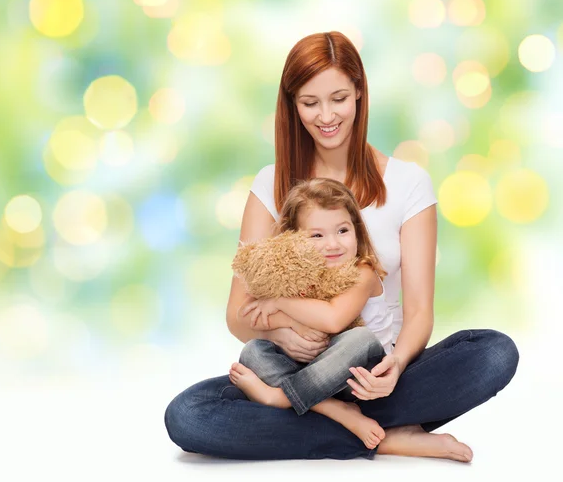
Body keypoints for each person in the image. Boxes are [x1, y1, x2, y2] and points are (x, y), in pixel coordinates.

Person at [165, 31, 519, 462]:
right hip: (295, 372)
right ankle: (382, 436)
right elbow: (238, 315)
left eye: (338, 99)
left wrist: (398, 366)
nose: (326, 115)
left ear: (359, 95)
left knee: (493, 352)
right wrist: (280, 335)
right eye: (310, 103)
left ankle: (340, 420)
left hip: (377, 373)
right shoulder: (270, 184)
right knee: (188, 415)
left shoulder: (408, 184)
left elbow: (420, 310)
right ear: (291, 106)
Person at [231, 177, 392, 449]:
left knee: (360, 338)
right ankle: (331, 410)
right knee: (253, 352)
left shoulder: (363, 272)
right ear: (293, 240)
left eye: (342, 231)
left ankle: (281, 399)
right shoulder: (296, 277)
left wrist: (280, 303)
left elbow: (333, 320)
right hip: (315, 378)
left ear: (357, 231)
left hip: (361, 378)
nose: (333, 244)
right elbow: (252, 316)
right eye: (317, 235)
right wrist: (284, 322)